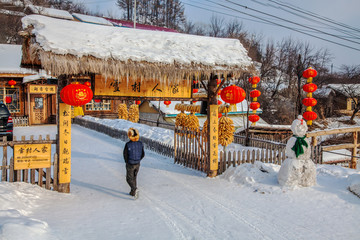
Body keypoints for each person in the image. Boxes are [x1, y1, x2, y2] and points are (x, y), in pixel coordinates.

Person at [123, 128, 145, 198]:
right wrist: (138, 160)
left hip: (130, 163)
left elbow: (125, 154)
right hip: (137, 164)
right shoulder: (140, 143)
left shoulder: (128, 144)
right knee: (134, 177)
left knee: (129, 178)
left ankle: (134, 189)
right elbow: (143, 154)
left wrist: (127, 161)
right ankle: (133, 192)